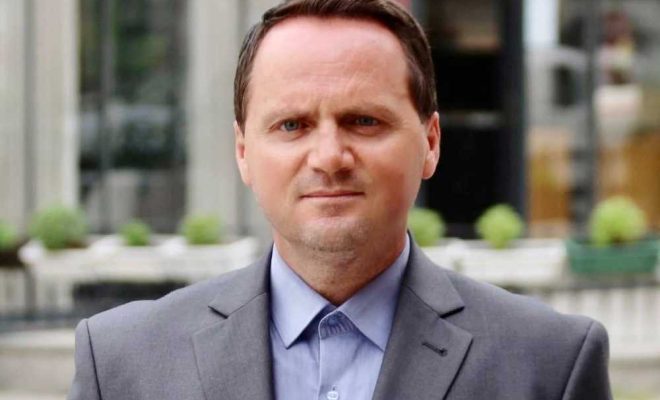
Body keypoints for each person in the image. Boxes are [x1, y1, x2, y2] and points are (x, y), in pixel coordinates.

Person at [68, 0, 612, 399]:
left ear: (430, 143)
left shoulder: (549, 366)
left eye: (364, 121)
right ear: (243, 151)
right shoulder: (123, 365)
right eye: (292, 125)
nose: (329, 157)